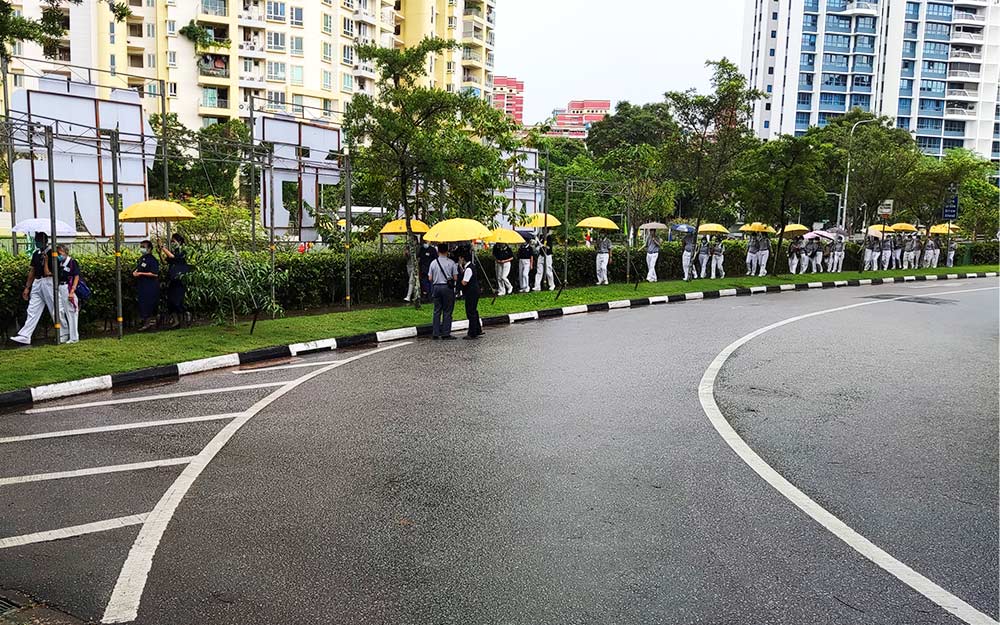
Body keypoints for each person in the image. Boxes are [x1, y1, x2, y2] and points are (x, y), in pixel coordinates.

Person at [10, 232, 56, 345]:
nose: (37, 243)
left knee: (54, 308)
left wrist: (46, 261)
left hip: (48, 281)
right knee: (32, 309)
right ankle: (25, 335)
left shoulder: (52, 253)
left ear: (45, 241)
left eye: (39, 241)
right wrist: (27, 287)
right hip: (37, 282)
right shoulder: (36, 254)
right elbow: (32, 271)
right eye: (36, 241)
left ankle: (63, 332)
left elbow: (53, 271)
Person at [427, 243, 458, 340]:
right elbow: (455, 278)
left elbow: (430, 278)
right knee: (447, 311)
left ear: (438, 251)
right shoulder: (451, 263)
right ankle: (446, 333)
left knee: (436, 311)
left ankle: (435, 333)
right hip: (447, 288)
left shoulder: (433, 263)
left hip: (436, 287)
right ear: (447, 251)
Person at [161, 233, 191, 328]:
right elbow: (165, 262)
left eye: (173, 241)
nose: (172, 243)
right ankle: (176, 322)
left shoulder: (183, 252)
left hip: (179, 280)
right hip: (172, 280)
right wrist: (160, 253)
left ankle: (186, 314)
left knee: (177, 301)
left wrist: (162, 247)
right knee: (170, 302)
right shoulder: (173, 251)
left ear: (180, 242)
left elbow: (173, 257)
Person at [55, 244, 81, 344]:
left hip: (68, 288)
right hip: (60, 287)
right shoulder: (59, 263)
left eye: (60, 253)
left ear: (65, 252)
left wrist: (72, 291)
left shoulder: (72, 262)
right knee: (60, 311)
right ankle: (65, 334)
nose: (58, 255)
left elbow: (76, 276)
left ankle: (74, 337)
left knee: (71, 313)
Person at [134, 239, 160, 331]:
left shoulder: (152, 260)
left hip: (150, 286)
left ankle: (150, 323)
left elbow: (155, 274)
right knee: (142, 304)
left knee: (149, 304)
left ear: (149, 249)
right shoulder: (142, 259)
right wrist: (135, 272)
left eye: (143, 247)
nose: (142, 249)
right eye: (141, 247)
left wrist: (141, 274)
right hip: (142, 286)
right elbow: (138, 269)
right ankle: (146, 322)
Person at [458, 248, 482, 340]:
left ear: (463, 258)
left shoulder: (468, 269)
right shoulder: (470, 267)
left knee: (470, 312)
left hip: (471, 292)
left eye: (460, 259)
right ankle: (477, 329)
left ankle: (472, 333)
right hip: (474, 291)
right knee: (474, 311)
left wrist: (459, 281)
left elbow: (464, 282)